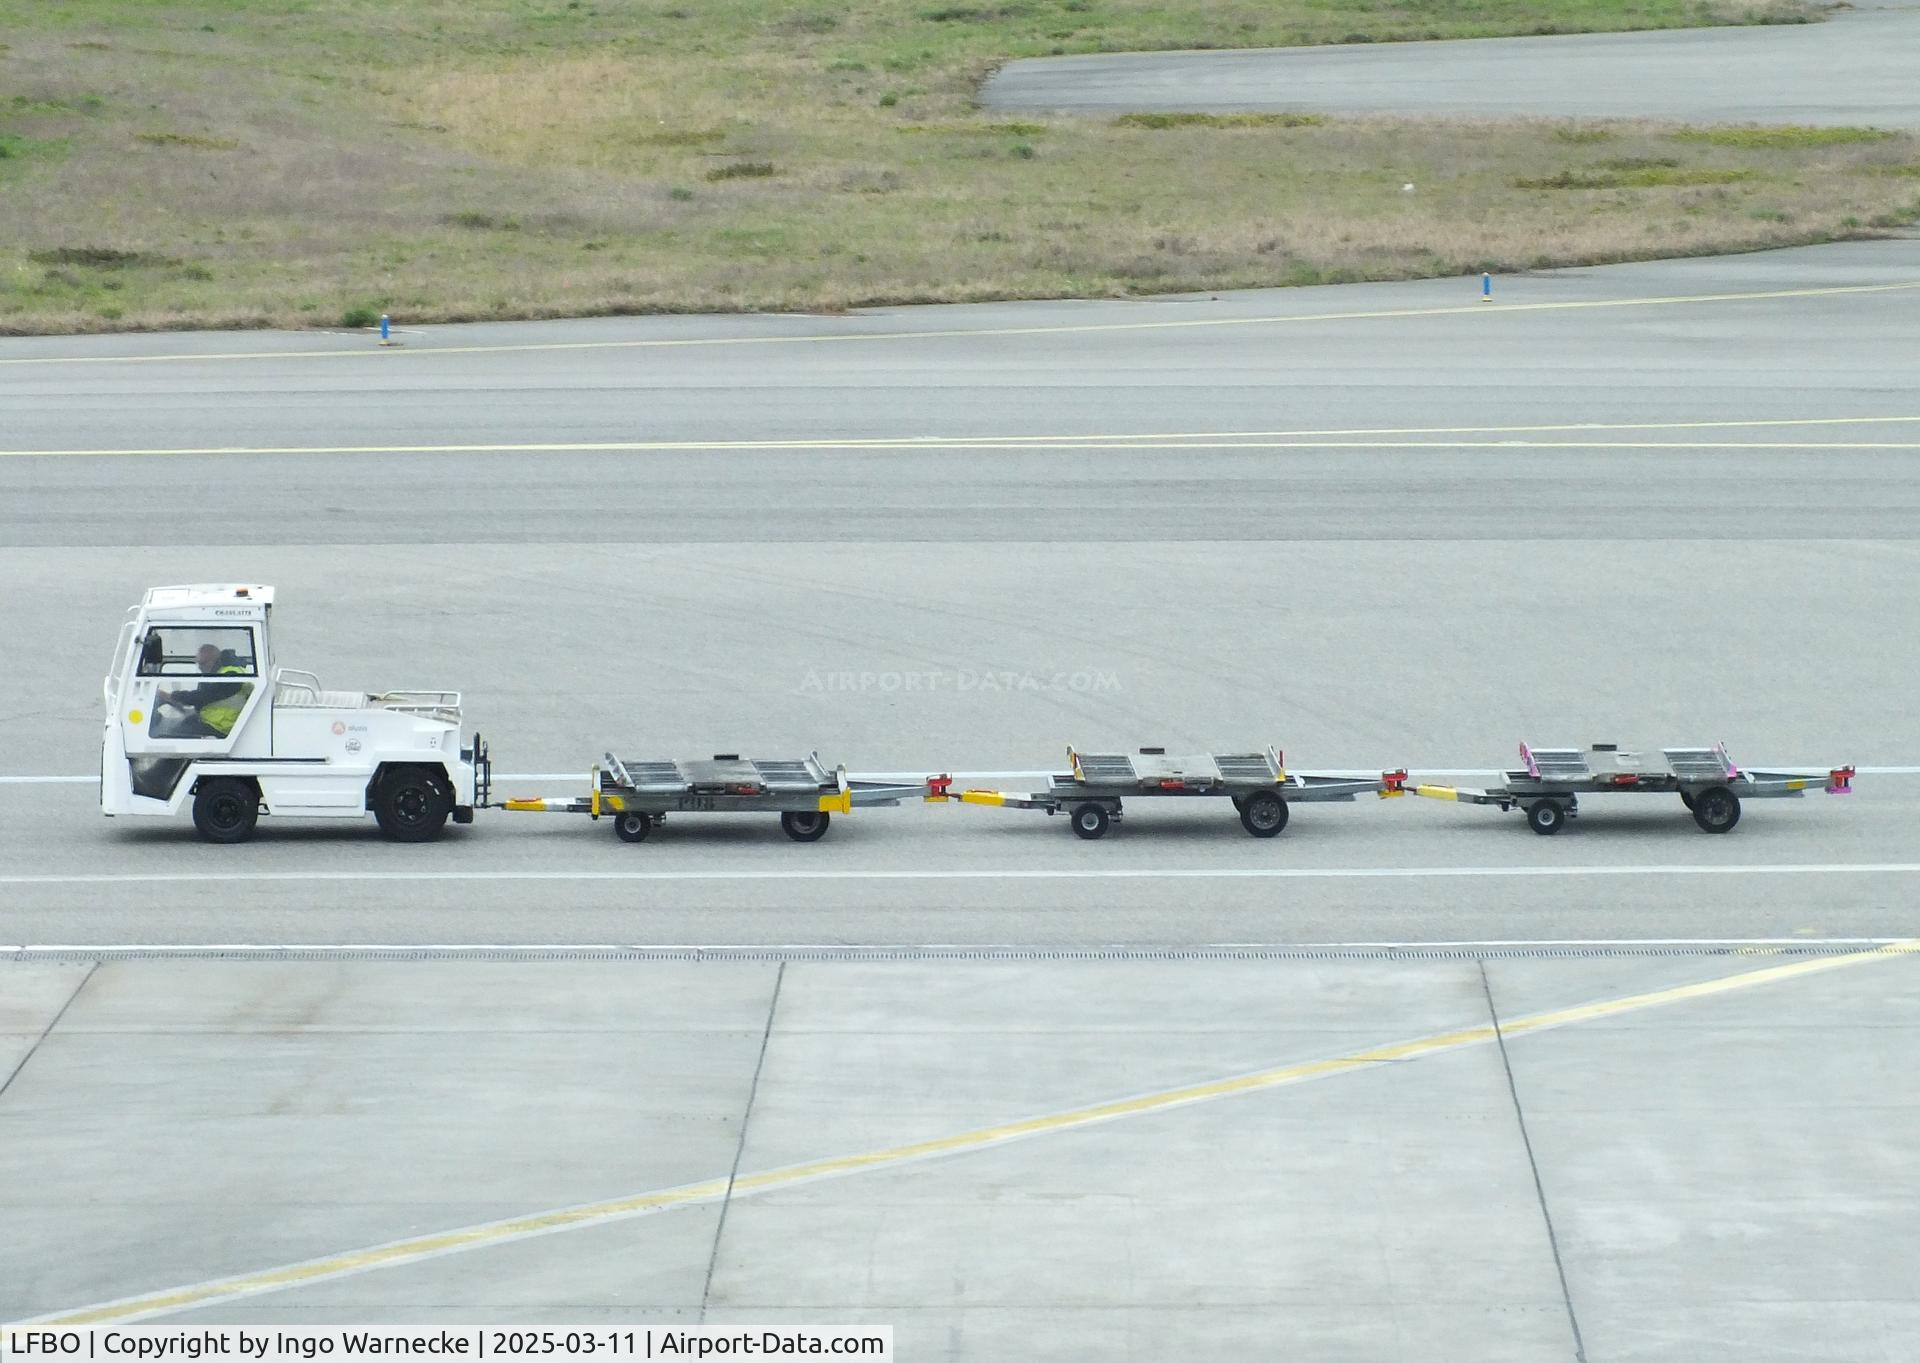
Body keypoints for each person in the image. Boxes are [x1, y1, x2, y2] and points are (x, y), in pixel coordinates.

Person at [152, 645, 251, 739]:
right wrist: (178, 704)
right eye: (198, 664)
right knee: (178, 726)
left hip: (224, 728)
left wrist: (171, 696)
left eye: (202, 663)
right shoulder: (216, 673)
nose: (199, 667)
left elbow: (204, 696)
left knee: (176, 734)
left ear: (212, 661)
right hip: (212, 722)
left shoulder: (232, 675)